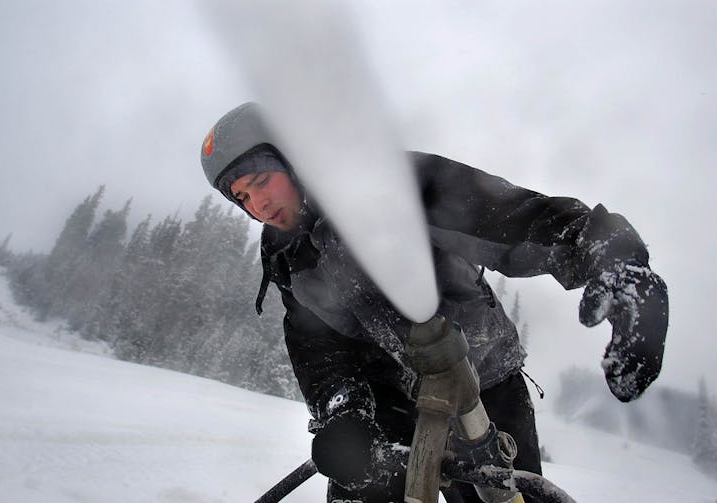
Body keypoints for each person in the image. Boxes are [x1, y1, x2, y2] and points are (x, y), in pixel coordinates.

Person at [200, 102, 669, 502]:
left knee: (500, 496)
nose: (257, 204)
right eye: (240, 196)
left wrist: (614, 259)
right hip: (389, 398)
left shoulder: (386, 185)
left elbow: (510, 217)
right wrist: (341, 410)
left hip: (482, 385)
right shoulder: (287, 254)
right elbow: (316, 343)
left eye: (261, 180)